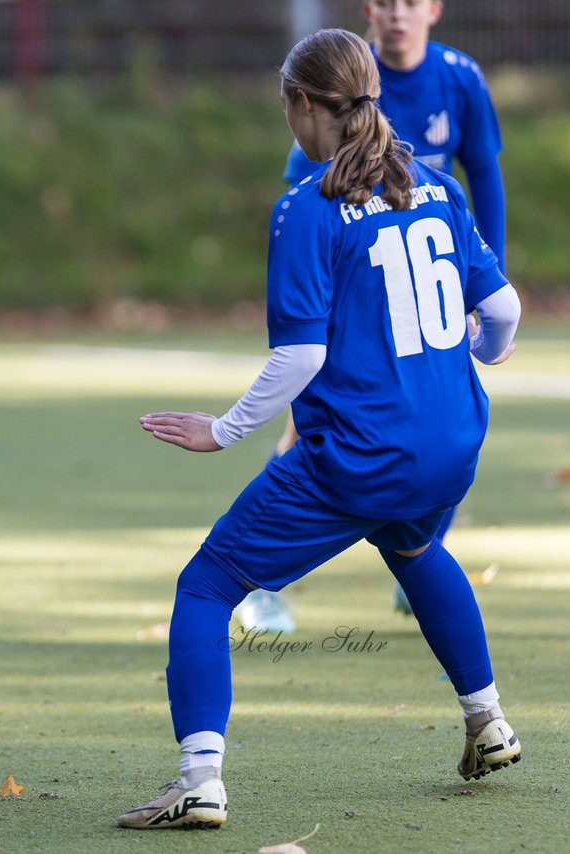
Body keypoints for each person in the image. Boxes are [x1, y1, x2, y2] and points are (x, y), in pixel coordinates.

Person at [120, 28, 522, 830]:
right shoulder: (437, 187)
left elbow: (299, 357)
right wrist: (470, 354)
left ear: (303, 105)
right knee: (411, 545)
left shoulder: (309, 208)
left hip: (363, 455)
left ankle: (199, 778)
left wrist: (225, 430)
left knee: (206, 586)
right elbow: (503, 311)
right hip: (453, 445)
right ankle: (489, 721)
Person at [239, 0, 508, 631]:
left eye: (409, 2)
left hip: (429, 281)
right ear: (369, 12)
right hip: (357, 288)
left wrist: (481, 280)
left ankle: (416, 564)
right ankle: (264, 582)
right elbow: (308, 201)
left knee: (427, 419)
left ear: (434, 9)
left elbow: (484, 176)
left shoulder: (460, 78)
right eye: (384, 3)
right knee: (315, 422)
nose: (396, 14)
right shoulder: (338, 82)